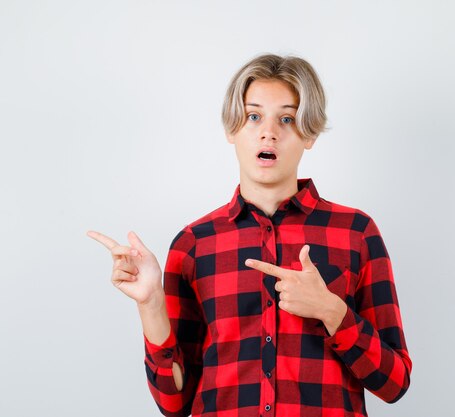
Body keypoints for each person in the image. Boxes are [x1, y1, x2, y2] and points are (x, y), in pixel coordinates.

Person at [87, 53, 412, 417]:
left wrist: (330, 310)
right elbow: (174, 403)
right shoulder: (194, 245)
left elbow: (394, 384)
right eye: (254, 116)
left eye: (287, 119)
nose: (268, 131)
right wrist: (150, 305)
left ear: (310, 134)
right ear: (232, 129)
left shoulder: (356, 233)